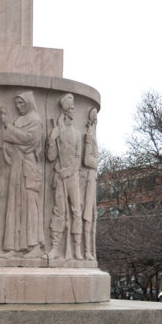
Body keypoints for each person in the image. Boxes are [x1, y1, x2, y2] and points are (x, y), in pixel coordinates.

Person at [0, 91, 44, 257]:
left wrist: (7, 127)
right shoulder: (19, 121)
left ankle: (34, 246)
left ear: (28, 103)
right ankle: (13, 247)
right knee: (14, 205)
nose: (19, 107)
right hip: (16, 167)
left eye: (21, 103)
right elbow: (11, 139)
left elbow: (28, 140)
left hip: (28, 168)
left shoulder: (35, 120)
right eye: (17, 104)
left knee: (30, 206)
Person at [46, 93, 83, 260]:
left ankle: (76, 248)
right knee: (59, 211)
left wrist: (68, 171)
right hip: (59, 177)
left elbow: (77, 158)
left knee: (76, 211)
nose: (74, 112)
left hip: (72, 177)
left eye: (74, 109)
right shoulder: (57, 131)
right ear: (66, 111)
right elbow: (51, 157)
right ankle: (55, 247)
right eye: (71, 109)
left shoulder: (76, 134)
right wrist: (52, 140)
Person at [82, 107, 99, 260]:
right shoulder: (88, 136)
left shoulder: (93, 136)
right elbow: (87, 159)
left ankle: (89, 251)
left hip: (92, 178)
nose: (96, 122)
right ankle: (86, 250)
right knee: (87, 216)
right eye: (94, 119)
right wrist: (97, 163)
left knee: (92, 216)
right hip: (87, 179)